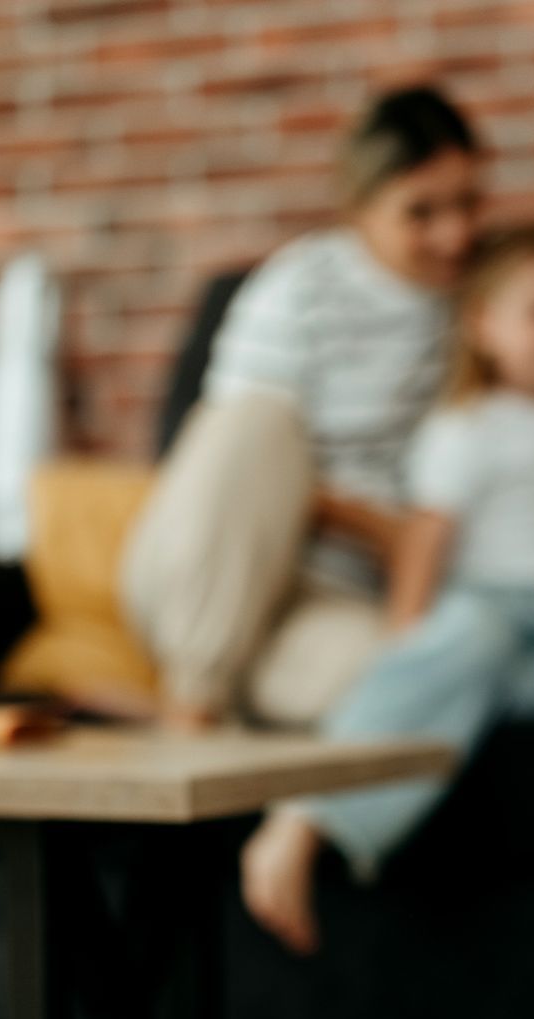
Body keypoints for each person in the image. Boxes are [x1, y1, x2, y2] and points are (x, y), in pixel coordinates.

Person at [241, 224, 534, 954]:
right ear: (483, 325)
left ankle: (460, 695)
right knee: (471, 643)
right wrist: (409, 632)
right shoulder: (466, 428)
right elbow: (426, 537)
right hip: (485, 608)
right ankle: (302, 819)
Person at [123, 86, 481, 730]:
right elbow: (240, 466)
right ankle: (195, 695)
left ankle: (209, 697)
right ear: (360, 208)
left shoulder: (476, 307)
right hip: (215, 569)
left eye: (467, 204)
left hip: (331, 602)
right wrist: (383, 530)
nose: (454, 235)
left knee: (407, 674)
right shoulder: (297, 287)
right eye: (421, 213)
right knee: (257, 422)